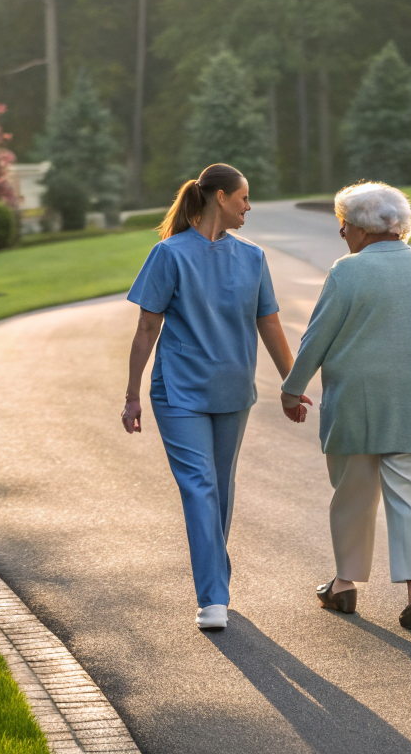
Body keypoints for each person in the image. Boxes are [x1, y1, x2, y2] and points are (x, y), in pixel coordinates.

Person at [121, 163, 298, 631]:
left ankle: (213, 582)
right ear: (220, 197)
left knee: (220, 489)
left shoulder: (253, 256)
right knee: (200, 487)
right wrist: (132, 394)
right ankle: (213, 597)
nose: (249, 207)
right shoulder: (168, 254)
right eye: (243, 197)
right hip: (179, 393)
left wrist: (292, 383)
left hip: (233, 392)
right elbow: (147, 327)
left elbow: (269, 322)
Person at [280, 181, 411, 630]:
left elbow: (316, 338)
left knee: (353, 495)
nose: (341, 232)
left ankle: (344, 585)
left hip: (355, 401)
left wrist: (291, 389)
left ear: (360, 227)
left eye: (343, 223)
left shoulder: (347, 271)